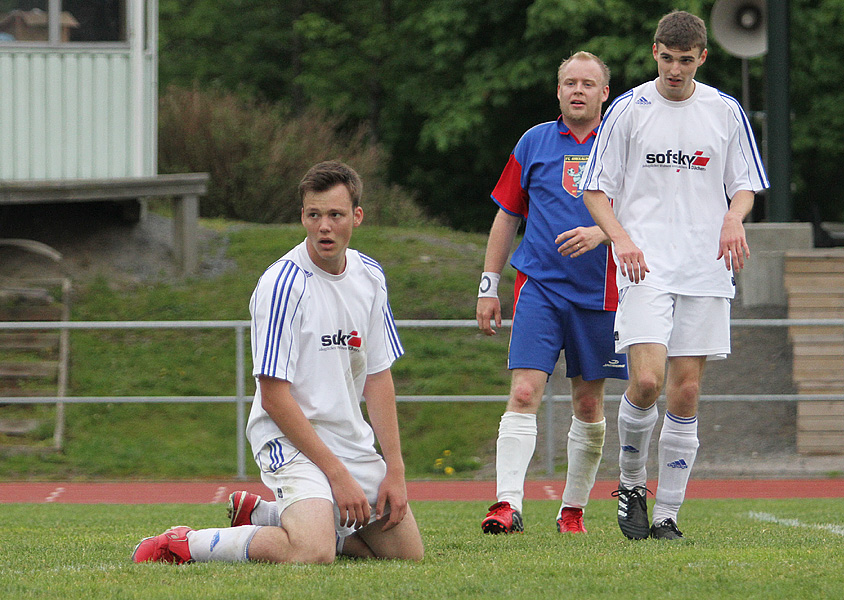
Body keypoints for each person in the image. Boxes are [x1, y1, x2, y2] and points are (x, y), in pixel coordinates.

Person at [133, 161, 424, 563]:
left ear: (356, 217)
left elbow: (378, 378)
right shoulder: (282, 285)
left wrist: (395, 469)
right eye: (313, 215)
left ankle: (265, 515)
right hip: (288, 437)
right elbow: (273, 396)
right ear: (302, 217)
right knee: (312, 551)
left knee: (406, 555)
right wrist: (337, 475)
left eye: (335, 215)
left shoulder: (371, 276)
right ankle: (187, 543)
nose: (324, 226)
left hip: (348, 441)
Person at [580, 10, 769, 540]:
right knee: (644, 381)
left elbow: (746, 183)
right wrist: (622, 239)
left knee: (684, 393)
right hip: (645, 267)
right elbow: (596, 188)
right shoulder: (628, 110)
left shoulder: (725, 111)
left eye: (686, 61)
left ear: (702, 58)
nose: (675, 70)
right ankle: (632, 485)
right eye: (667, 58)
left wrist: (733, 218)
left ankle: (666, 515)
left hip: (706, 269)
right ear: (654, 52)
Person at [478, 51, 628, 535]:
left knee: (588, 404)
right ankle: (506, 505)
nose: (577, 90)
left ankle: (573, 510)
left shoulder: (623, 143)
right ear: (558, 90)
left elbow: (648, 214)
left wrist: (602, 235)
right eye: (569, 83)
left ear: (605, 92)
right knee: (523, 391)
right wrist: (488, 284)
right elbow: (506, 214)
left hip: (601, 294)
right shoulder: (534, 141)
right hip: (538, 287)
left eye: (588, 83)